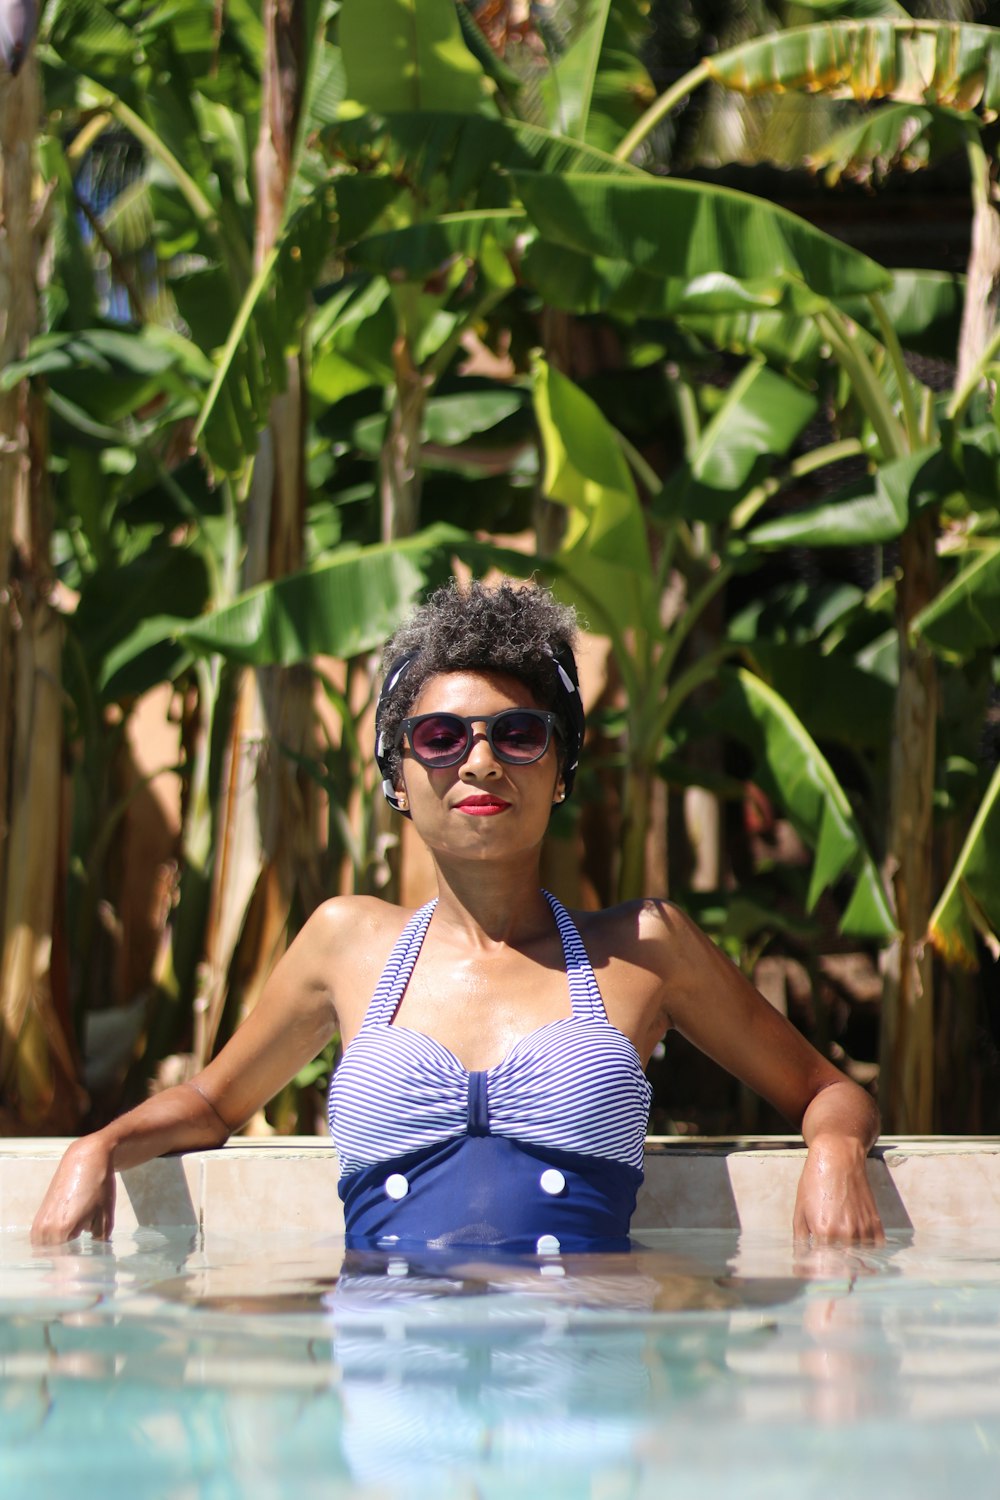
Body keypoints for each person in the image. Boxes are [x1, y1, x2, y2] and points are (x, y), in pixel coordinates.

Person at [31, 581, 884, 1250]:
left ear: (562, 770)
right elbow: (214, 1104)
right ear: (399, 778)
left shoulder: (644, 949)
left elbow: (827, 1092)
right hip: (396, 1377)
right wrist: (94, 1148)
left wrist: (837, 1153)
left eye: (518, 734)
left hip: (574, 1381)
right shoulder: (344, 942)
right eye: (439, 738)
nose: (480, 761)